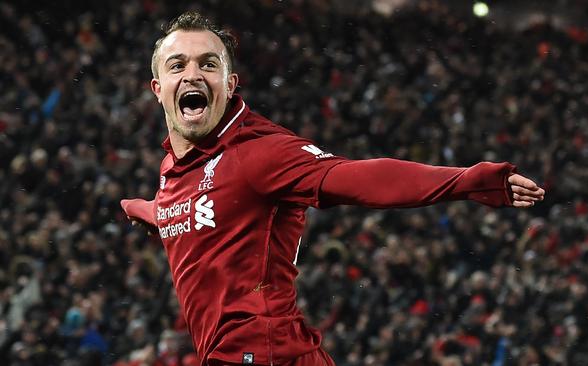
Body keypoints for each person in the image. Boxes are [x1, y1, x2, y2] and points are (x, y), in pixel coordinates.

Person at [120, 11, 545, 366]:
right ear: (158, 89)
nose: (193, 74)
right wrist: (143, 210)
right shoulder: (174, 167)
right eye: (178, 65)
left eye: (209, 64)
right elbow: (183, 206)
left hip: (262, 355)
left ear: (230, 85)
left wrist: (469, 180)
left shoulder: (260, 154)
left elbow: (360, 178)